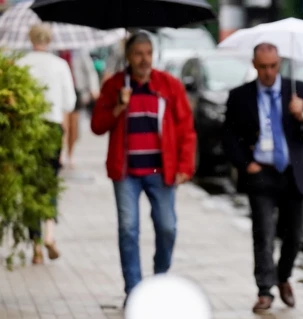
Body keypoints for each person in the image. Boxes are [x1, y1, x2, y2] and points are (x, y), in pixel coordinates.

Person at [91, 32, 196, 304]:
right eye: (138, 53)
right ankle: (134, 291)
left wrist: (185, 165)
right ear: (128, 56)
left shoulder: (168, 85)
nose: (144, 59)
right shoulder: (115, 86)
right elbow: (97, 126)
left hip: (160, 172)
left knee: (167, 227)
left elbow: (186, 128)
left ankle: (159, 279)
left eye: (148, 53)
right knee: (128, 229)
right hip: (126, 173)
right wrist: (117, 107)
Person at [222, 43, 303, 313]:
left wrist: (301, 114)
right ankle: (265, 290)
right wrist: (246, 164)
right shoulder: (240, 96)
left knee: (295, 237)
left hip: (293, 174)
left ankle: (283, 276)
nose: (268, 72)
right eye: (263, 66)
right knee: (264, 234)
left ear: (279, 64)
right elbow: (229, 137)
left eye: (273, 66)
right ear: (254, 65)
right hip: (262, 174)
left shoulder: (298, 89)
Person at [16, 24, 75, 265]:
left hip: (28, 129)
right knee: (49, 184)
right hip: (51, 128)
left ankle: (36, 246)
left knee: (30, 186)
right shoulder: (60, 65)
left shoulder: (21, 64)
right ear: (49, 40)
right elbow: (69, 103)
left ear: (30, 39)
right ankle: (50, 235)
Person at [60, 49, 100, 169]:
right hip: (61, 90)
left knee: (73, 125)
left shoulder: (80, 52)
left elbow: (90, 71)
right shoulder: (57, 51)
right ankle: (62, 151)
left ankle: (70, 153)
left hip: (77, 90)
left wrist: (93, 89)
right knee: (63, 124)